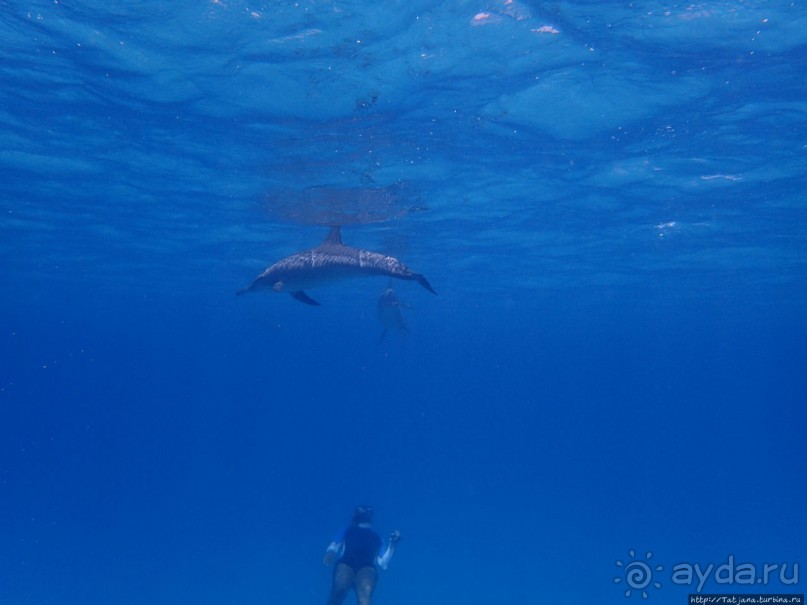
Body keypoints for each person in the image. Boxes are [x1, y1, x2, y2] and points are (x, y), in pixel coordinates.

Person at [323, 506, 401, 605]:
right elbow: (335, 544)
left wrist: (392, 545)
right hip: (346, 563)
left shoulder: (378, 537)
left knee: (365, 599)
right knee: (339, 589)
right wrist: (330, 552)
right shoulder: (347, 530)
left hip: (367, 567)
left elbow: (382, 564)